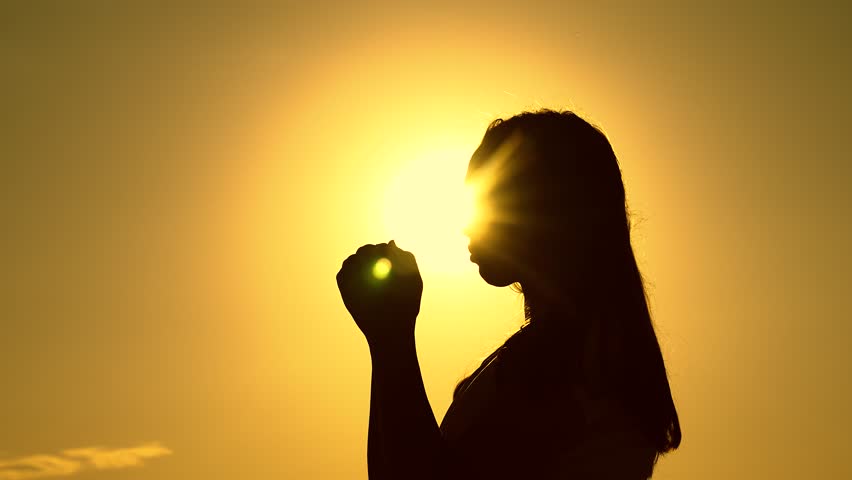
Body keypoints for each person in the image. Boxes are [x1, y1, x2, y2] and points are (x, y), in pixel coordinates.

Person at [336, 109, 682, 479]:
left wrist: (393, 336)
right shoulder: (563, 355)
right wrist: (385, 341)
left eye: (489, 201)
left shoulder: (574, 369)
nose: (466, 225)